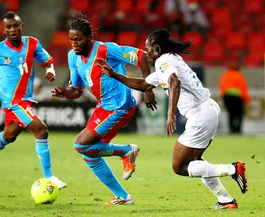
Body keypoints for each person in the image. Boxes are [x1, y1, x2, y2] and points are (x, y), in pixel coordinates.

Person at [97, 28, 248, 209]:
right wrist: (114, 75)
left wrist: (170, 114)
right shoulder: (170, 59)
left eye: (149, 50)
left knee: (179, 167)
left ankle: (232, 169)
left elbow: (174, 82)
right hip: (208, 110)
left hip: (200, 115)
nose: (148, 54)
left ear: (158, 49)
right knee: (195, 161)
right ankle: (226, 200)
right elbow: (144, 84)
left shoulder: (163, 61)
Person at [51, 12, 157, 205]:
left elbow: (141, 56)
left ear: (90, 38)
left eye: (79, 39)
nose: (74, 43)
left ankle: (126, 151)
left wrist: (147, 88)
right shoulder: (72, 57)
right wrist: (65, 92)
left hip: (120, 107)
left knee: (80, 144)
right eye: (71, 39)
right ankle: (124, 197)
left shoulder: (106, 50)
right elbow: (77, 90)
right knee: (89, 154)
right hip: (104, 108)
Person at [0, 11, 66, 189]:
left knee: (9, 136)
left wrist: (51, 70)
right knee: (41, 130)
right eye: (8, 27)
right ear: (4, 30)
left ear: (21, 27)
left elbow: (48, 61)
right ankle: (50, 176)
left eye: (15, 26)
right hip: (14, 102)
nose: (13, 30)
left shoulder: (32, 43)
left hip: (26, 100)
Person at [219, 61, 250, 134]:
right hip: (238, 98)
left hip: (228, 98)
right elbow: (243, 88)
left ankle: (231, 130)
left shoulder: (225, 76)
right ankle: (238, 130)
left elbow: (222, 88)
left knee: (230, 114)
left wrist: (224, 97)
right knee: (239, 115)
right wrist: (246, 99)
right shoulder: (239, 76)